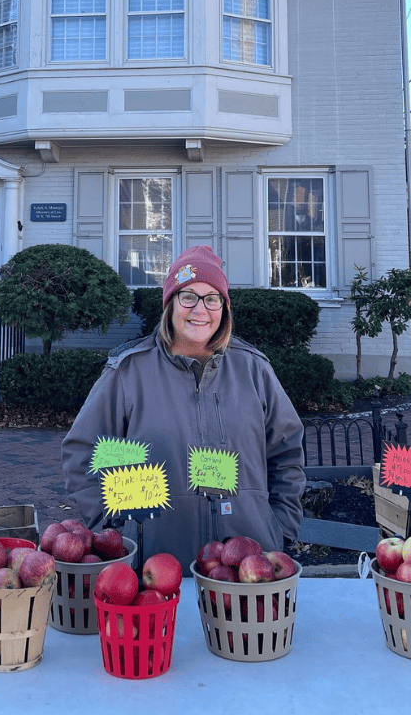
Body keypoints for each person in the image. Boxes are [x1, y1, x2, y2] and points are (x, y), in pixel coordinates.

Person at [61, 245, 306, 575]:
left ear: (224, 307)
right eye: (188, 296)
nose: (200, 309)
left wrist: (280, 527)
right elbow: (85, 453)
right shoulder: (128, 372)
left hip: (246, 565)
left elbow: (286, 451)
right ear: (170, 303)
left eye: (212, 298)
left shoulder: (254, 370)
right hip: (155, 564)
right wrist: (115, 530)